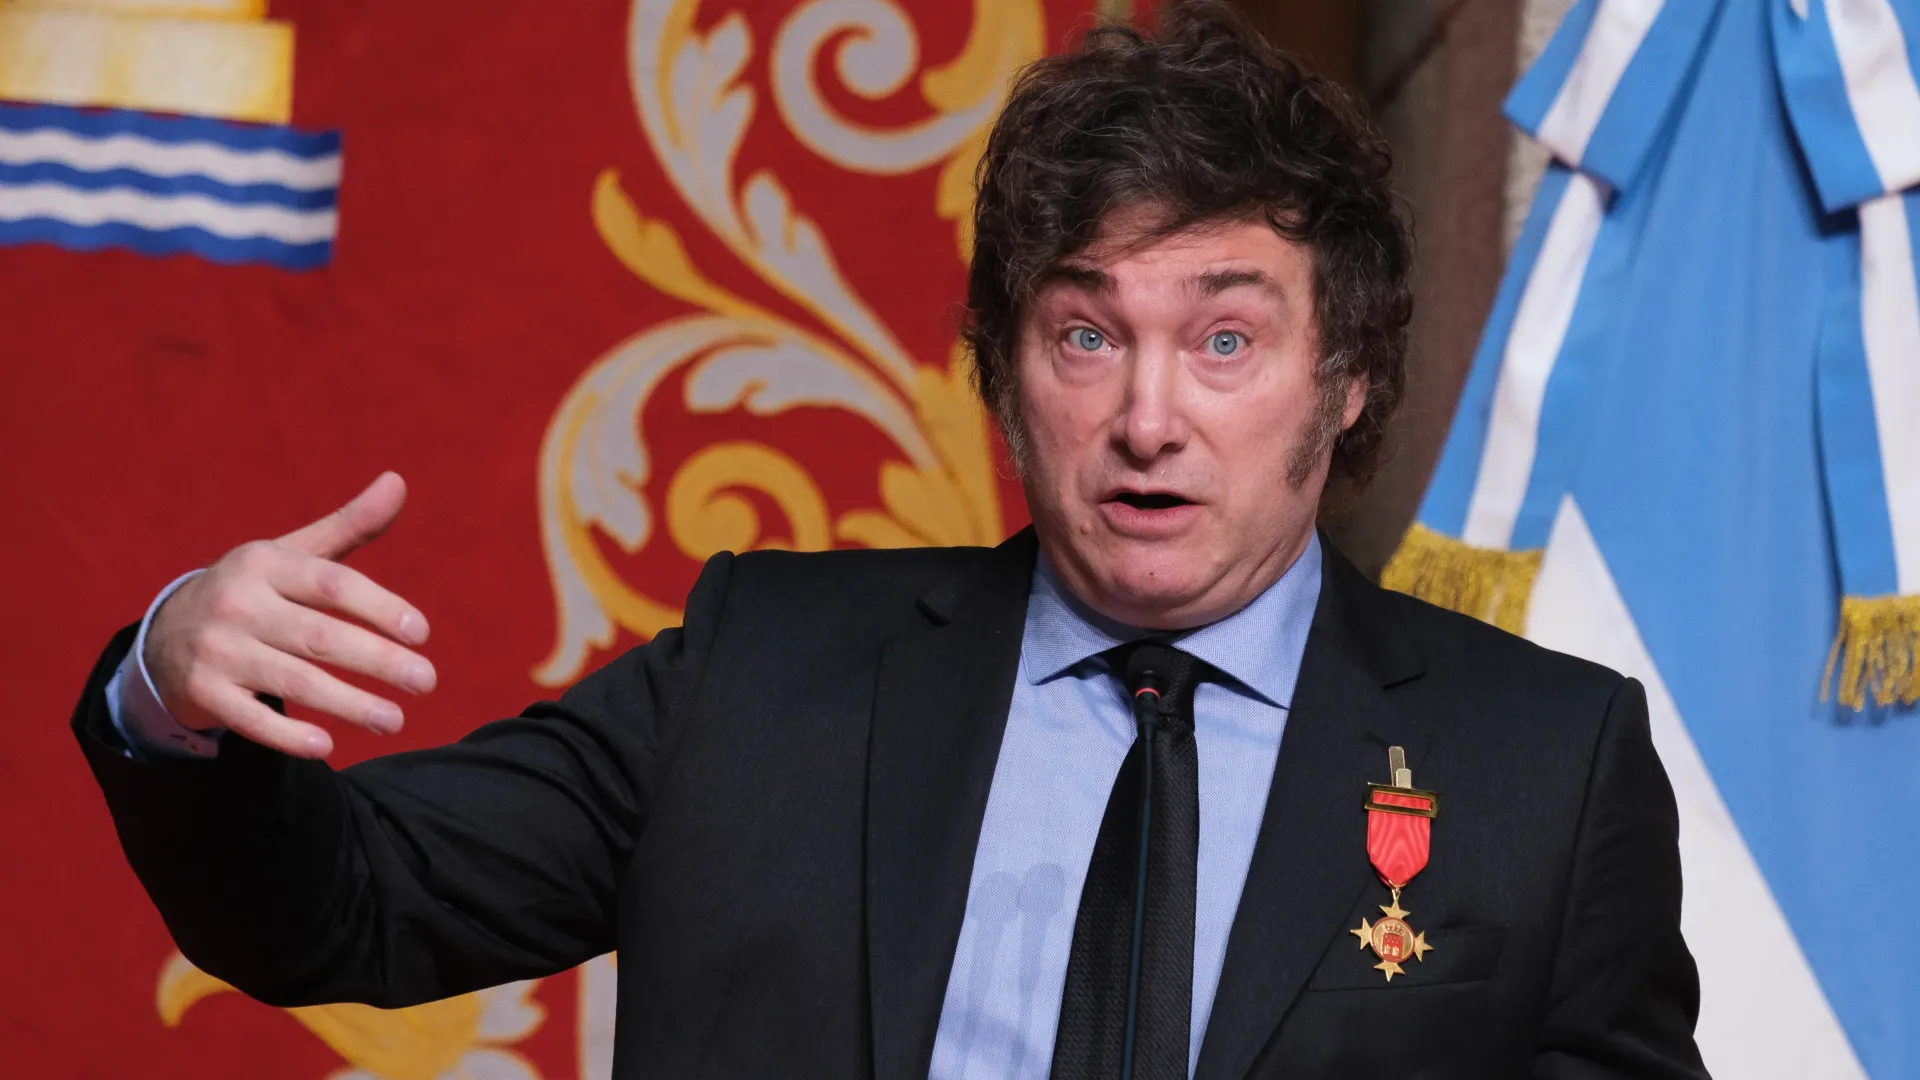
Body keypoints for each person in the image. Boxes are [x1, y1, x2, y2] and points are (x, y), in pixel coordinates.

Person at [69, 4, 1709, 1077]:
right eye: (1085, 335)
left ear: (1344, 382)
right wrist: (172, 685)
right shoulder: (760, 675)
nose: (1147, 417)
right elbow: (343, 909)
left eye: (1226, 340)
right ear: (1003, 370)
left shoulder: (1543, 769)